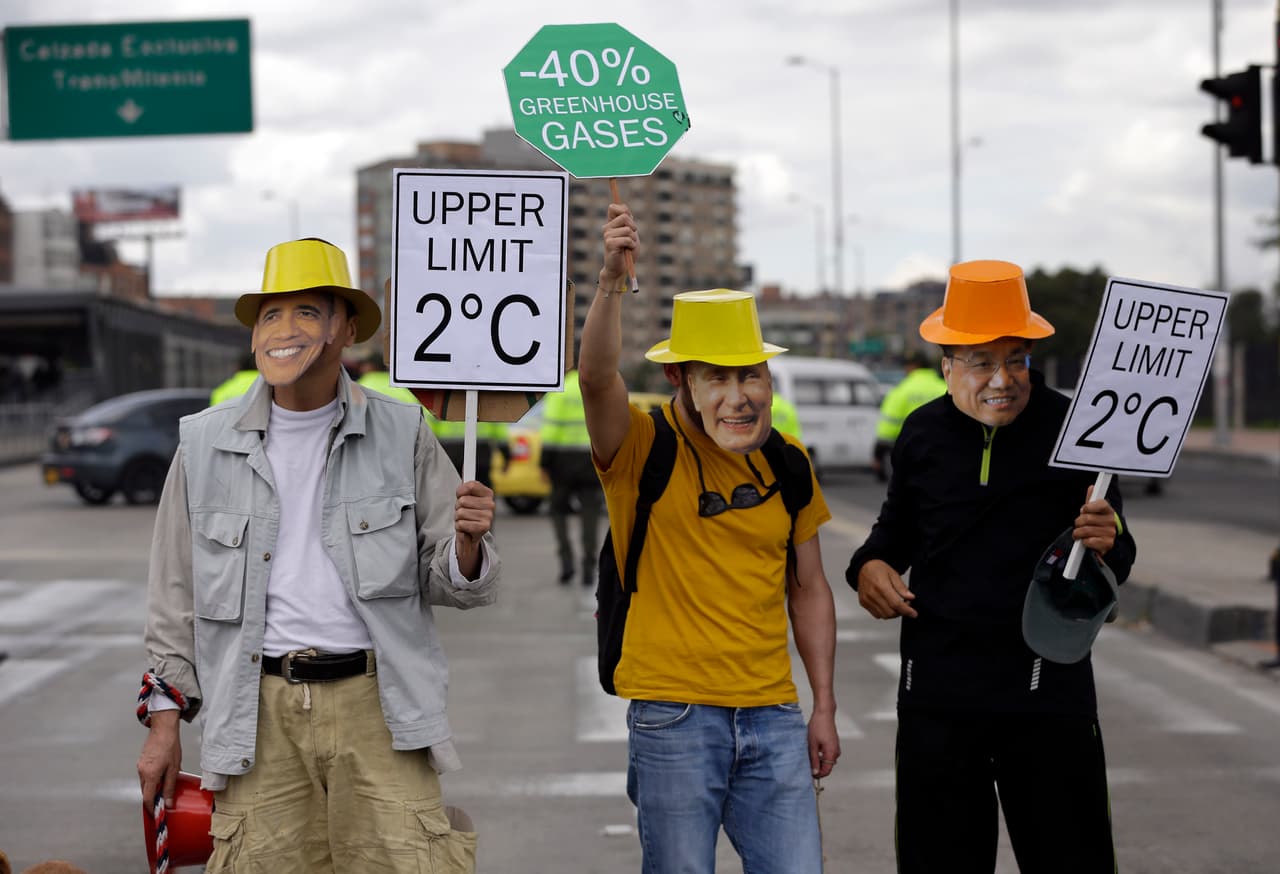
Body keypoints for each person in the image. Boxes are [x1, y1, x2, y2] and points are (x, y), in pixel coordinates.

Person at [136, 237, 499, 873]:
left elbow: (457, 583)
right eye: (270, 315)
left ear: (346, 329)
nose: (285, 330)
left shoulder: (403, 431)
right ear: (253, 338)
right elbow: (174, 598)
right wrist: (164, 723)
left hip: (379, 708)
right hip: (256, 715)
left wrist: (467, 546)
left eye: (307, 312)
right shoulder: (202, 445)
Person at [846, 259, 1137, 874]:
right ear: (946, 363)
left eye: (1016, 359)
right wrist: (868, 565)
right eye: (983, 362)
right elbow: (893, 532)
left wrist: (1109, 540)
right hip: (937, 694)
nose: (1003, 379)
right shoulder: (921, 434)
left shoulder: (1077, 429)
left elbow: (1121, 553)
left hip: (1047, 690)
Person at [580, 203, 839, 873]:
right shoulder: (641, 448)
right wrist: (610, 281)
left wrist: (823, 706)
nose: (739, 396)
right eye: (717, 378)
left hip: (774, 715)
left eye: (750, 374)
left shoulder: (786, 460)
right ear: (679, 379)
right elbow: (596, 379)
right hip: (674, 715)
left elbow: (809, 589)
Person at [539, 368, 605, 586]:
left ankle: (566, 563)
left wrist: (544, 462)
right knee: (590, 514)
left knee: (558, 511)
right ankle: (588, 566)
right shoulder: (596, 386)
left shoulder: (562, 388)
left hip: (562, 462)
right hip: (590, 460)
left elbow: (550, 428)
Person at [871, 349, 946, 482]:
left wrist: (878, 455)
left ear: (912, 367)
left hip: (912, 456)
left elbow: (886, 430)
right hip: (944, 454)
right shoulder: (944, 387)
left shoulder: (901, 391)